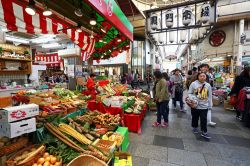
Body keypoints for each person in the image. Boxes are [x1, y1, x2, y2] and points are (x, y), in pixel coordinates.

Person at [188, 72, 212, 139]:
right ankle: (195, 127)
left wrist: (210, 105)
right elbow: (189, 93)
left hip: (204, 105)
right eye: (201, 76)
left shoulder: (208, 85)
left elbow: (210, 96)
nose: (202, 77)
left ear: (206, 77)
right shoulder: (193, 84)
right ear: (198, 77)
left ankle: (204, 132)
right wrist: (194, 98)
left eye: (204, 76)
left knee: (204, 119)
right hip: (195, 105)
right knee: (195, 117)